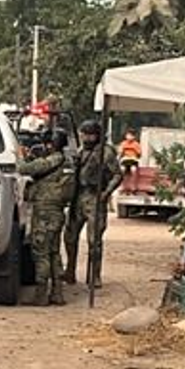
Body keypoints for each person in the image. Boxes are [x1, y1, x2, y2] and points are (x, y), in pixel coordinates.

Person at [17, 129, 76, 306]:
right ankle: (57, 293)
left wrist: (20, 156)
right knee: (53, 252)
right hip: (56, 211)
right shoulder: (68, 161)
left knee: (40, 251)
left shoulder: (54, 159)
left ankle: (41, 295)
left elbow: (25, 168)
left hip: (45, 212)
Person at [64, 120, 122, 287]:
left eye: (88, 134)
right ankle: (70, 271)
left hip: (95, 197)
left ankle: (95, 275)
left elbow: (117, 175)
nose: (85, 137)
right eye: (83, 134)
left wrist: (105, 193)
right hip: (78, 196)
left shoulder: (105, 152)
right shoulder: (81, 151)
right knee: (69, 236)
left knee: (94, 240)